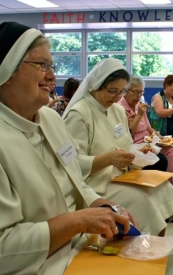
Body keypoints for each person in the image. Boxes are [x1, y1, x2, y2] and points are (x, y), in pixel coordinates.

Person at [0, 21, 136, 275]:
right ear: (6, 72)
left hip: (79, 241)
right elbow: (4, 249)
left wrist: (100, 204)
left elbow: (76, 178)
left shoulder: (50, 119)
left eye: (51, 65)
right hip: (41, 263)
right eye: (41, 65)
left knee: (163, 262)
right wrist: (79, 220)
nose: (52, 76)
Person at [63, 59, 173, 236]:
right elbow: (70, 164)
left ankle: (156, 250)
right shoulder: (80, 114)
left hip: (122, 175)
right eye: (112, 91)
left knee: (162, 188)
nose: (116, 97)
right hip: (96, 184)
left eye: (120, 92)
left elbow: (123, 144)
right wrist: (107, 159)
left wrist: (137, 153)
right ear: (96, 85)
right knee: (144, 200)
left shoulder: (117, 110)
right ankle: (144, 250)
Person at [118, 75, 173, 173]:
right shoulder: (119, 108)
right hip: (135, 145)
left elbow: (149, 128)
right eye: (135, 92)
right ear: (125, 91)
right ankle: (165, 180)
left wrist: (162, 138)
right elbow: (128, 135)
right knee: (170, 154)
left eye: (141, 92)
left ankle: (172, 182)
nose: (138, 96)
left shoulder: (138, 105)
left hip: (147, 141)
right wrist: (139, 115)